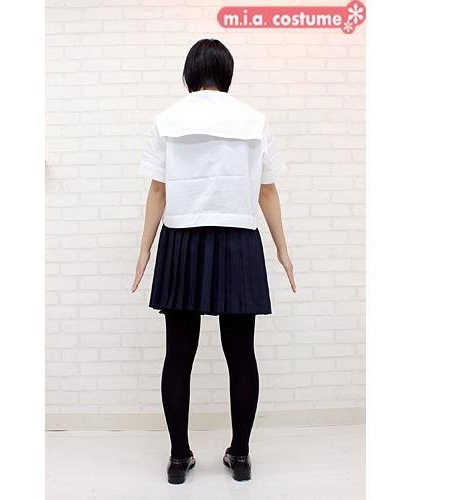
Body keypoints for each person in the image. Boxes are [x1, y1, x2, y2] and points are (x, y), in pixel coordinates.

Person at [132, 38, 297, 484]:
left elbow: (158, 190)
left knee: (178, 355)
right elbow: (267, 191)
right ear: (227, 74)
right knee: (242, 355)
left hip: (181, 239)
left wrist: (145, 249)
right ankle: (240, 456)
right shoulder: (254, 120)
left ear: (189, 74)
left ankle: (178, 457)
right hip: (239, 240)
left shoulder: (168, 119)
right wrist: (282, 250)